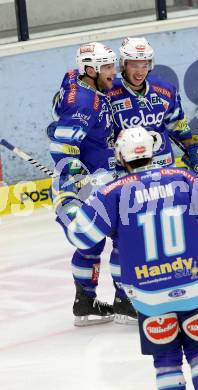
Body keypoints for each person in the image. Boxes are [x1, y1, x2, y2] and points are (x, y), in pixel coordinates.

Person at [55, 126, 198, 389]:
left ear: (121, 157)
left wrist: (66, 203)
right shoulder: (184, 179)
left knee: (166, 362)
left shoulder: (110, 193)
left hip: (148, 295)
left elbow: (82, 238)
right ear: (152, 152)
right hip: (194, 285)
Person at [108, 37, 198, 324]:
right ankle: (124, 297)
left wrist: (191, 144)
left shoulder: (164, 89)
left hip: (163, 172)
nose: (140, 70)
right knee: (124, 240)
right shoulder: (109, 93)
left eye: (144, 64)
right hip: (125, 176)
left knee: (167, 232)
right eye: (133, 64)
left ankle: (167, 290)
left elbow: (178, 124)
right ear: (123, 64)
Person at [47, 42, 117, 326]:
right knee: (122, 234)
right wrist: (76, 174)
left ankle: (85, 302)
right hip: (89, 182)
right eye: (108, 68)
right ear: (90, 70)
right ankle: (126, 301)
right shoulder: (84, 104)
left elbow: (56, 115)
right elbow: (62, 143)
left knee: (93, 241)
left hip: (95, 176)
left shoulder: (74, 79)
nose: (114, 73)